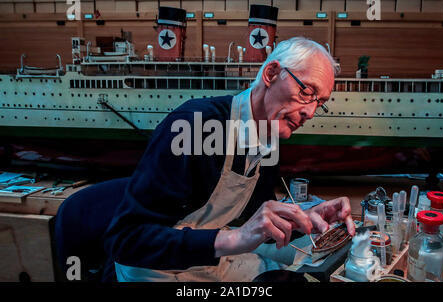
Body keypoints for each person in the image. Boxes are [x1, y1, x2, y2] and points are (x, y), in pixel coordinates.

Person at [55, 36, 356, 282]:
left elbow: (254, 215)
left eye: (320, 102)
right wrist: (236, 238)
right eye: (306, 91)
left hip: (202, 257)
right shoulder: (193, 126)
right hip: (151, 269)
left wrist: (307, 213)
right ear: (271, 74)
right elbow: (127, 240)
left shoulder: (267, 137)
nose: (310, 112)